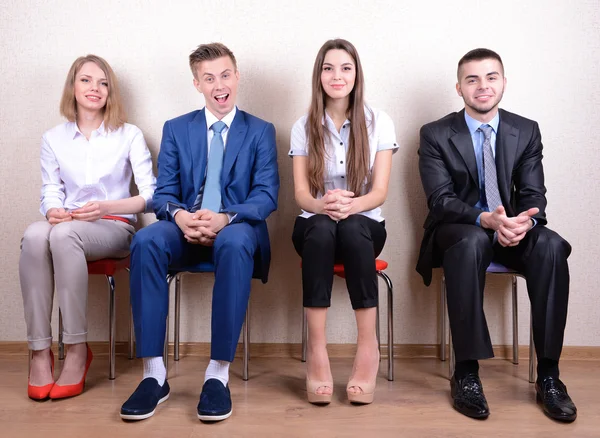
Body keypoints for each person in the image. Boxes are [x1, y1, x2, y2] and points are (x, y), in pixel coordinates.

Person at [120, 42, 279, 422]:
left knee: (238, 239)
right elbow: (164, 195)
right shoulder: (177, 129)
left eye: (225, 75)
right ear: (197, 84)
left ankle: (217, 374)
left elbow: (266, 195)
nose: (218, 84)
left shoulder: (260, 131)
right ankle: (154, 375)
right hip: (184, 230)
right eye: (209, 78)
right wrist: (178, 217)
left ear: (237, 77)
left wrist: (225, 218)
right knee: (145, 240)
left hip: (234, 232)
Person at [417, 48, 576, 422]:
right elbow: (440, 201)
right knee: (471, 241)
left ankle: (549, 376)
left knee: (551, 245)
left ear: (503, 82)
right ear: (459, 88)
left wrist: (524, 223)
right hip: (459, 230)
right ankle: (467, 372)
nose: (482, 86)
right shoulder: (436, 134)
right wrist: (485, 219)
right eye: (472, 79)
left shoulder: (526, 130)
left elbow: (535, 195)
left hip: (512, 229)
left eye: (491, 77)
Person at [21, 55, 156, 400]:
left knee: (63, 236)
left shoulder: (129, 134)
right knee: (35, 235)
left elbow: (151, 195)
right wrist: (53, 210)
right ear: (72, 87)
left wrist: (107, 206)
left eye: (103, 82)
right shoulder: (54, 138)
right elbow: (51, 189)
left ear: (110, 91)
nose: (94, 88)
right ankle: (39, 352)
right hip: (68, 226)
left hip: (114, 227)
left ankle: (77, 349)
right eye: (86, 80)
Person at [290, 39, 397, 405]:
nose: (337, 76)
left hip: (363, 224)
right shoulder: (303, 125)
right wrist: (323, 206)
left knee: (351, 228)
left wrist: (349, 207)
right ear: (319, 75)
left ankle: (368, 349)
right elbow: (301, 195)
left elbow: (380, 191)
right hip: (315, 222)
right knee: (320, 230)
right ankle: (317, 354)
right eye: (329, 68)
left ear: (357, 74)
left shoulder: (379, 122)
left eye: (346, 68)